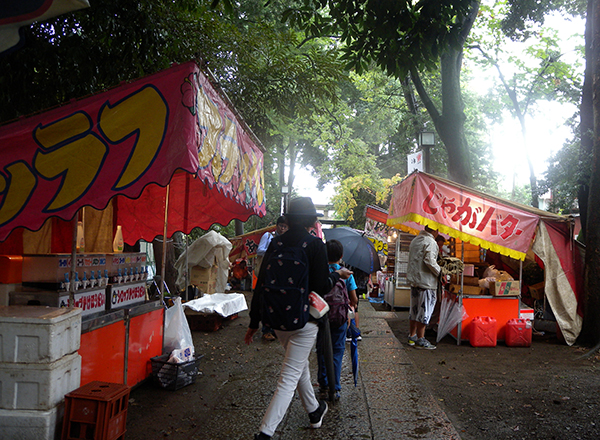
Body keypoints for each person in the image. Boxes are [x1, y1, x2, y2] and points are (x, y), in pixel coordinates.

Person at [245, 197, 351, 440]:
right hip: (304, 321)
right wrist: (338, 275)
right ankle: (265, 433)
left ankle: (315, 412)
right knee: (289, 377)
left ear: (289, 218)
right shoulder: (314, 245)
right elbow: (321, 285)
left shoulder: (276, 243)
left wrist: (254, 321)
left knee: (298, 365)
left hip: (277, 319)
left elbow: (261, 284)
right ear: (311, 220)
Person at [317, 239, 358, 400]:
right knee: (337, 351)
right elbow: (354, 299)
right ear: (341, 256)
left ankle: (323, 383)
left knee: (322, 349)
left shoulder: (320, 272)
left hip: (321, 317)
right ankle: (335, 387)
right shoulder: (346, 273)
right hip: (340, 319)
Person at [406, 225, 441, 350]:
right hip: (426, 282)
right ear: (435, 230)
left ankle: (412, 336)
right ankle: (421, 338)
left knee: (414, 310)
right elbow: (430, 260)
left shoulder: (416, 240)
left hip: (415, 280)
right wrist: (440, 272)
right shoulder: (430, 241)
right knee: (425, 310)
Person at [255, 216, 288, 341]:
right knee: (266, 300)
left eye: (285, 227)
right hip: (267, 273)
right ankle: (266, 330)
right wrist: (273, 252)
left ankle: (275, 330)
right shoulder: (268, 236)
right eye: (281, 226)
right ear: (277, 225)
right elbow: (259, 251)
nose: (283, 228)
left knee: (277, 301)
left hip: (279, 275)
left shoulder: (286, 240)